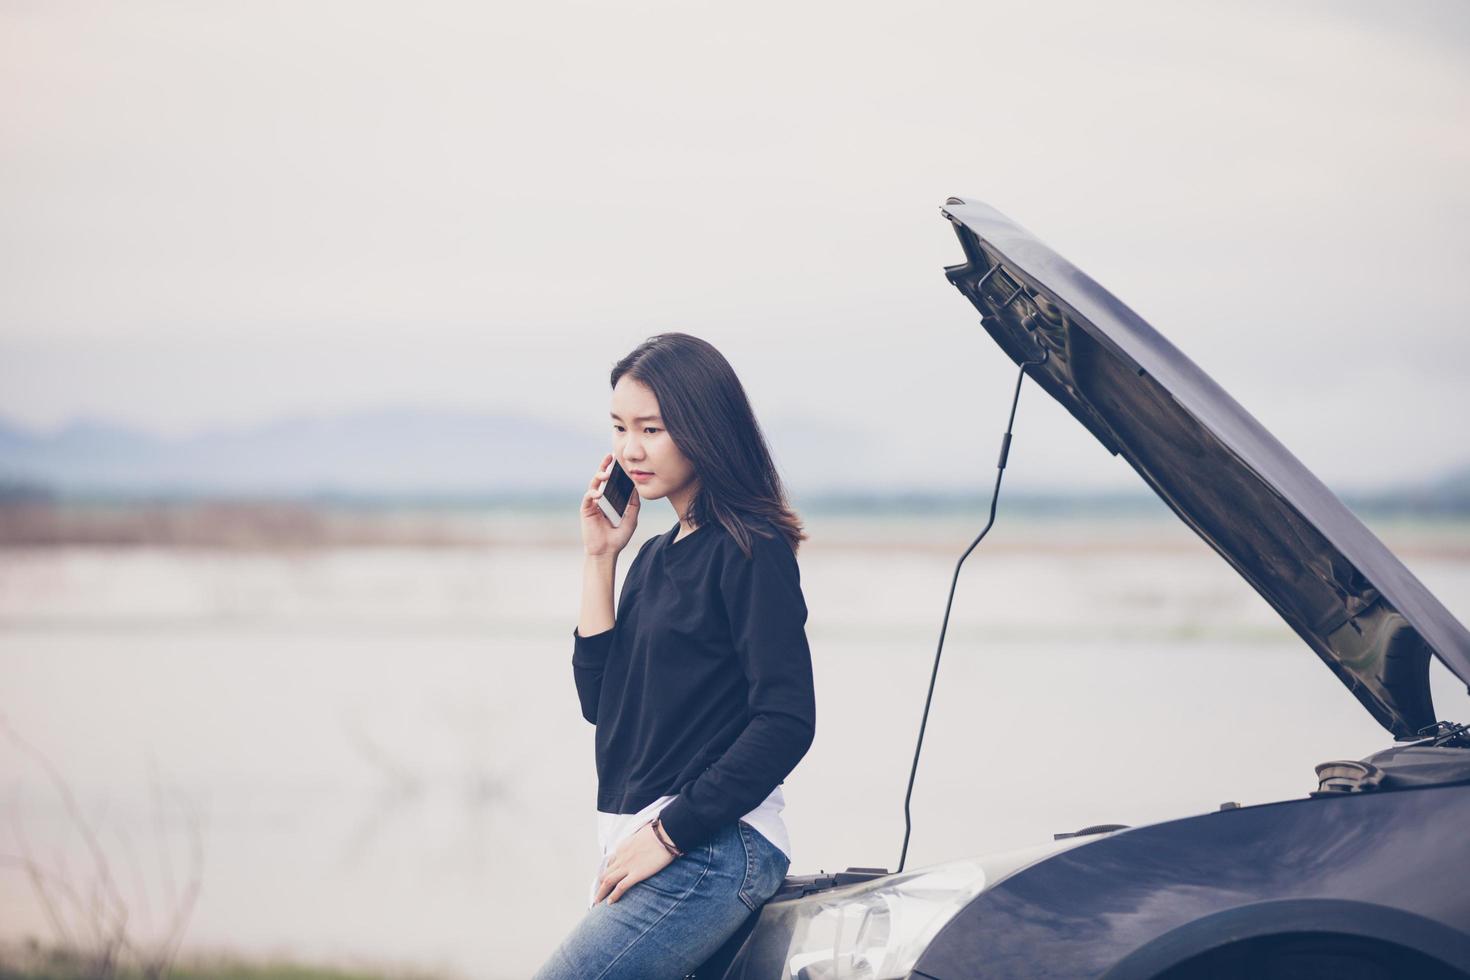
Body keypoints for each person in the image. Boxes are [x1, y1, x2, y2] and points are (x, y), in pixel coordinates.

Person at [532, 333, 817, 980]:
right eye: (619, 428)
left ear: (703, 428)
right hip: (643, 842)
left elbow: (787, 720)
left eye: (652, 428)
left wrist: (668, 834)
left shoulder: (751, 549)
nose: (630, 449)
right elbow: (599, 703)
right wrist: (601, 557)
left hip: (714, 847)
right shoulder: (655, 556)